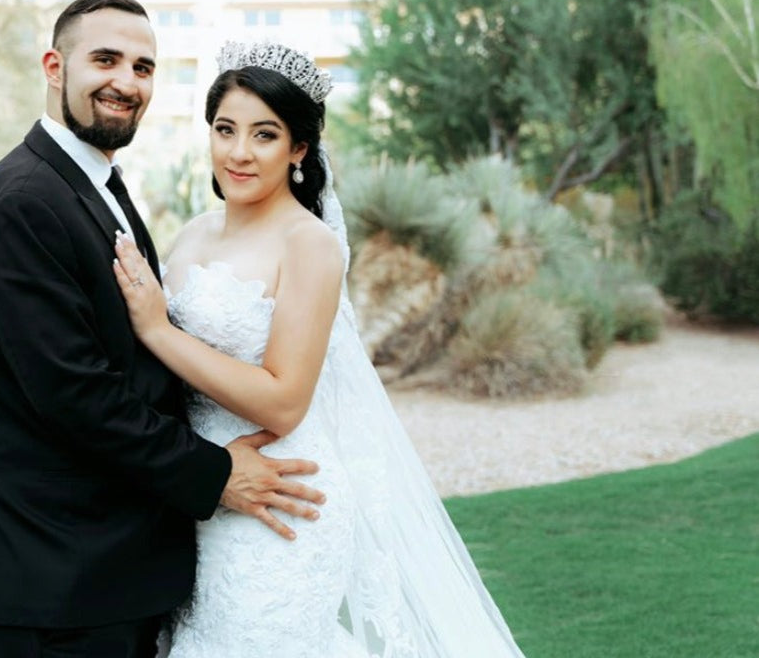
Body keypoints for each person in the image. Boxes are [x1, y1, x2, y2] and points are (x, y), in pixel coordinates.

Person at [112, 41, 528, 657]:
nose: (239, 152)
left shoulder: (308, 244)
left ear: (299, 149)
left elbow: (284, 402)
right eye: (225, 129)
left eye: (264, 135)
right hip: (204, 492)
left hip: (283, 499)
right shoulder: (194, 233)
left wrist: (158, 330)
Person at [0, 0, 326, 658]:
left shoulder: (94, 183)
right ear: (53, 66)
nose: (125, 81)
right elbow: (75, 395)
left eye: (143, 67)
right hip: (57, 574)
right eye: (104, 59)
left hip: (118, 566)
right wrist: (214, 474)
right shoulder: (25, 200)